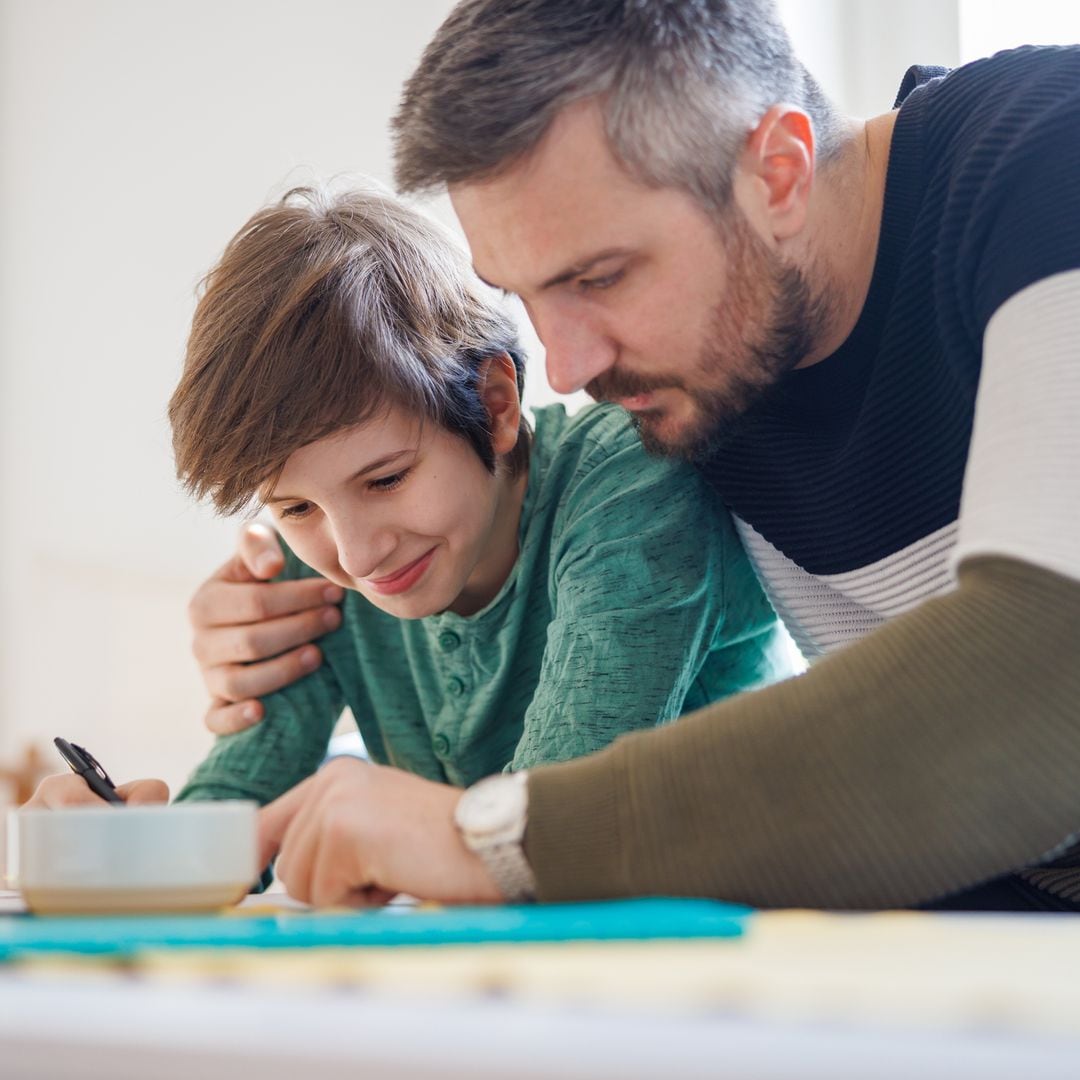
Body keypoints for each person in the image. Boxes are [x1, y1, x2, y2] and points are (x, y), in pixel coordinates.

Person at [183, 0, 1080, 912]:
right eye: (525, 294)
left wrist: (496, 841)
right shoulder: (716, 373)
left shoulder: (1052, 154)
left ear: (777, 173)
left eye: (600, 276)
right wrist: (267, 628)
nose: (567, 370)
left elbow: (1050, 683)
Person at [27, 183, 792, 891]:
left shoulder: (632, 481)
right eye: (294, 508)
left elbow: (544, 824)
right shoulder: (320, 573)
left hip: (758, 944)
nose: (357, 555)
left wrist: (260, 838)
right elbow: (237, 801)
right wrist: (118, 851)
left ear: (494, 402)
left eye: (386, 479)